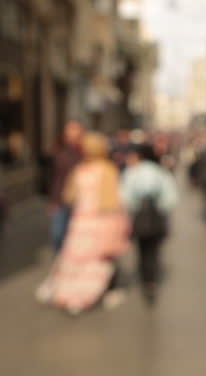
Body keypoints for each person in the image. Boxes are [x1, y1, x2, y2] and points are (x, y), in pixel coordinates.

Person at [36, 133, 131, 315]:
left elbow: (69, 196)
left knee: (77, 259)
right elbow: (113, 202)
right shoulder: (107, 169)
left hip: (80, 222)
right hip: (98, 221)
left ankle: (70, 293)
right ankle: (94, 293)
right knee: (98, 260)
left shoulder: (80, 170)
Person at [121, 144, 178, 304]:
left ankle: (145, 278)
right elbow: (170, 199)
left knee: (142, 249)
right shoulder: (161, 172)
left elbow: (125, 198)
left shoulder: (132, 172)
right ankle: (151, 281)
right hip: (157, 217)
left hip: (139, 217)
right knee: (154, 250)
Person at [48, 121, 85, 251]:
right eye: (69, 133)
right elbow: (55, 178)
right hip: (61, 199)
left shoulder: (85, 151)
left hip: (80, 200)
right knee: (57, 235)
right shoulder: (59, 151)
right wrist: (53, 200)